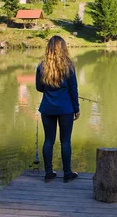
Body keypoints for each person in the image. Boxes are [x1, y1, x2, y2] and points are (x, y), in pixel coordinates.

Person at [36, 35, 80, 183]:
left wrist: (50, 89)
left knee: (48, 140)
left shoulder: (42, 67)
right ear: (63, 49)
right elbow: (73, 89)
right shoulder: (69, 66)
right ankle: (67, 173)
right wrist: (76, 108)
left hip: (47, 108)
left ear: (48, 49)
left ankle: (49, 173)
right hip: (66, 109)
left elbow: (39, 87)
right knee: (65, 141)